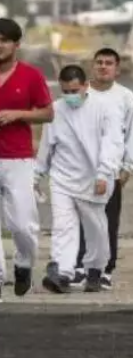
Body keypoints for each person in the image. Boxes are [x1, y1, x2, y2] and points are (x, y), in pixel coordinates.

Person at [38, 65, 124, 294]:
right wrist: (38, 173)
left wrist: (105, 173)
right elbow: (47, 144)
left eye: (74, 90)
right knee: (63, 226)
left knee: (95, 227)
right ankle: (62, 272)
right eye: (65, 91)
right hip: (62, 178)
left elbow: (113, 143)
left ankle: (95, 270)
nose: (70, 96)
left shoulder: (105, 109)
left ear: (86, 86)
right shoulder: (56, 110)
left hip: (93, 178)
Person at [72, 47, 133, 290]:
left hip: (111, 171)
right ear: (92, 66)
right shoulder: (81, 94)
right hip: (80, 169)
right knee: (78, 220)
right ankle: (80, 266)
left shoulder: (125, 97)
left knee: (107, 221)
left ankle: (106, 269)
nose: (103, 66)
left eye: (109, 63)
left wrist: (128, 168)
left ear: (117, 69)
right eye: (99, 62)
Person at [0, 17, 53, 298]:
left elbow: (48, 112)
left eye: (4, 40)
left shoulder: (30, 76)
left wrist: (18, 114)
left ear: (16, 45)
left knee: (22, 224)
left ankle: (23, 263)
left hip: (18, 159)